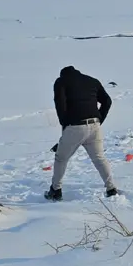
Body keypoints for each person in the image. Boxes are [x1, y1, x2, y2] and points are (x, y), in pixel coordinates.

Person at [45, 66, 118, 201]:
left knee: (61, 158)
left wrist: (65, 124)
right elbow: (107, 101)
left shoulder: (61, 82)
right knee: (99, 158)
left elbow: (60, 104)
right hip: (95, 126)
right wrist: (99, 120)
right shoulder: (92, 81)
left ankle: (55, 190)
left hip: (75, 126)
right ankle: (111, 188)